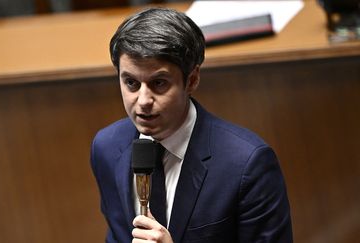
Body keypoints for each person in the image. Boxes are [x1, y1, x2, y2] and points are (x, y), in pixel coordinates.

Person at [90, 7, 293, 243]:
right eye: (131, 83)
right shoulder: (106, 148)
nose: (143, 101)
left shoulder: (246, 165)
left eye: (159, 83)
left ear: (192, 80)